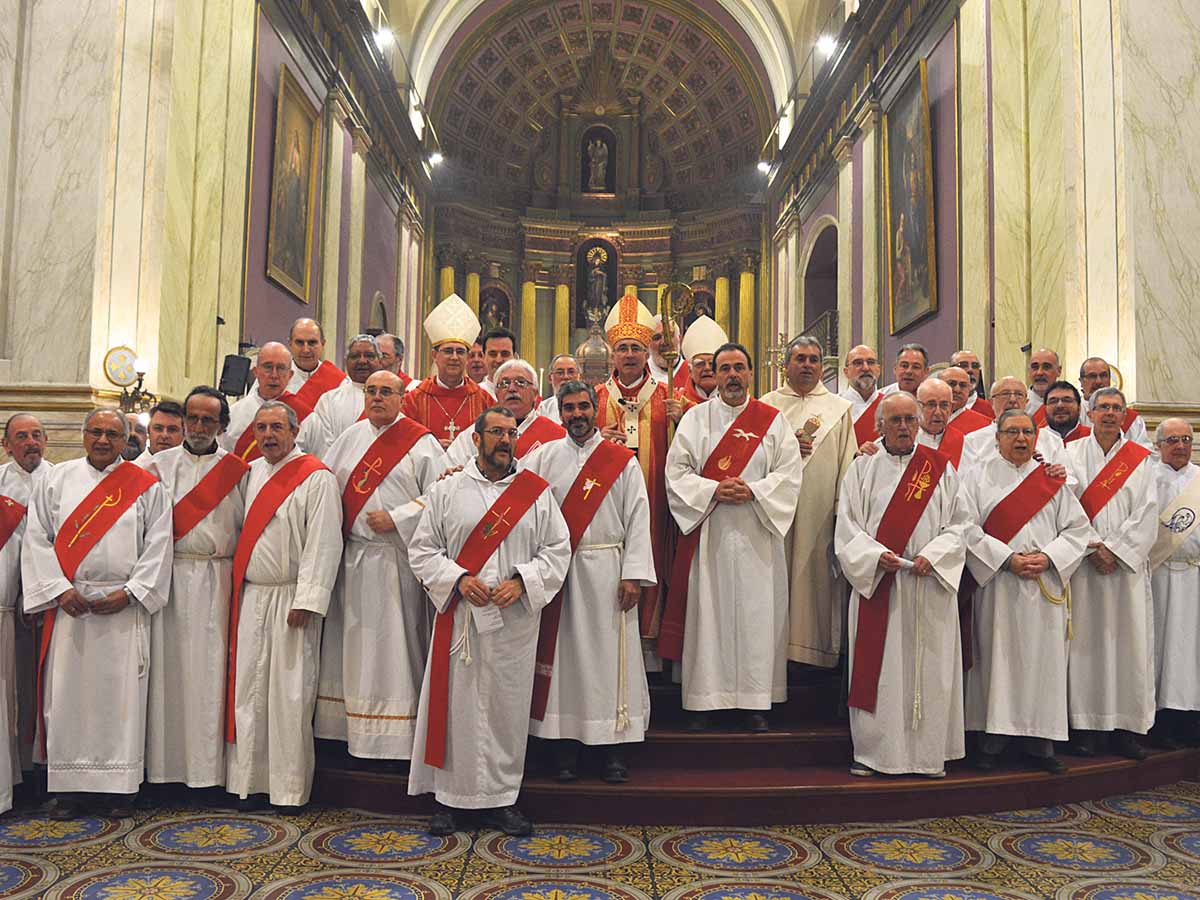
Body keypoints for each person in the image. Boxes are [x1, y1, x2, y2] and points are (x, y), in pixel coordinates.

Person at [407, 407, 570, 836]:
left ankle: (502, 800)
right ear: (476, 438)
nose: (504, 439)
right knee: (454, 706)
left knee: (506, 709)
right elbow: (423, 550)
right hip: (461, 616)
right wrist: (458, 579)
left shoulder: (536, 494)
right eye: (495, 432)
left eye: (511, 433)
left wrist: (522, 580)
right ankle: (448, 800)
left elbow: (557, 549)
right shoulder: (447, 491)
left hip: (512, 621)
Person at [22, 409, 172, 817]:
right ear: (83, 434)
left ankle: (119, 790)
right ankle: (69, 790)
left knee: (120, 701)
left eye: (113, 434)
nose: (103, 440)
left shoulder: (147, 486)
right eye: (96, 432)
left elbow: (159, 543)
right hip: (72, 609)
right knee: (67, 699)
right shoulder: (57, 479)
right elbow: (36, 538)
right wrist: (58, 588)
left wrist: (131, 592)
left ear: (126, 440)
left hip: (123, 610)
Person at [663, 343, 802, 732]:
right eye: (724, 368)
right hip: (710, 536)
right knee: (709, 615)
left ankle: (755, 702)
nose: (732, 376)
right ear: (714, 374)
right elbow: (676, 472)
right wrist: (711, 491)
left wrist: (755, 491)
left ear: (751, 372)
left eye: (739, 367)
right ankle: (705, 700)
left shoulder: (772, 422)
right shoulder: (695, 420)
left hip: (758, 534)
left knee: (757, 617)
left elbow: (790, 475)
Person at [523, 380, 655, 783]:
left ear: (595, 410)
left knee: (609, 660)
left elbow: (638, 517)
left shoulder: (621, 460)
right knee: (563, 662)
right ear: (558, 412)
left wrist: (633, 574)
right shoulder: (543, 458)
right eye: (569, 408)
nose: (577, 415)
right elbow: (519, 502)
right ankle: (564, 745)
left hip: (608, 573)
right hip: (560, 574)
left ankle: (612, 749)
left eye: (583, 407)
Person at [316, 372, 447, 762]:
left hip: (398, 562)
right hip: (354, 560)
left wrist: (400, 517)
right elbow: (324, 490)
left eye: (385, 392)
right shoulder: (347, 440)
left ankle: (397, 742)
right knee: (351, 647)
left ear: (401, 397)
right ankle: (347, 733)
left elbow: (441, 496)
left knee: (395, 649)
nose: (376, 398)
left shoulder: (420, 443)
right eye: (371, 391)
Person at [836, 392, 966, 777]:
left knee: (931, 671)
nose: (906, 427)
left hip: (928, 584)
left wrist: (936, 555)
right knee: (882, 674)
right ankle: (876, 754)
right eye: (896, 420)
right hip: (881, 585)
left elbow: (960, 524)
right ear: (880, 426)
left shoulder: (940, 468)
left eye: (911, 418)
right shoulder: (862, 469)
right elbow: (847, 526)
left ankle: (929, 756)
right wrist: (876, 557)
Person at [225, 401, 341, 811]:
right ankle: (248, 783)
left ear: (295, 432)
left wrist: (308, 599)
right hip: (254, 594)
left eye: (277, 427)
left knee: (290, 694)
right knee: (248, 691)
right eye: (261, 428)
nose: (269, 435)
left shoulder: (316, 478)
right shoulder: (250, 473)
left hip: (292, 599)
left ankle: (288, 790)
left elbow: (324, 542)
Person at [960, 409, 1091, 774]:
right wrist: (1005, 558)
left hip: (1042, 585)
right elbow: (964, 528)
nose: (1020, 438)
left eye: (1027, 432)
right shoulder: (975, 477)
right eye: (1012, 431)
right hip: (998, 586)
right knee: (997, 661)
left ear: (1036, 437)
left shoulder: (1050, 480)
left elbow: (1077, 530)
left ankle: (1040, 741)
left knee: (1041, 663)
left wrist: (1049, 557)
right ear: (997, 436)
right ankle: (991, 740)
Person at [142, 387, 247, 796]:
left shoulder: (238, 471)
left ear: (223, 425)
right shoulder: (154, 466)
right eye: (194, 418)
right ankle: (163, 773)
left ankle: (207, 775)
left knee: (211, 676)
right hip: (169, 579)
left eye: (209, 420)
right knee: (166, 677)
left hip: (218, 582)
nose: (200, 427)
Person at [1063, 387, 1157, 760]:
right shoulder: (1070, 455)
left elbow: (1148, 512)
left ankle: (1125, 728)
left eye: (1116, 408)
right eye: (1102, 407)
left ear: (1124, 416)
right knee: (1085, 646)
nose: (1108, 413)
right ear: (1089, 411)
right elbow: (1065, 505)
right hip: (1084, 568)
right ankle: (1086, 727)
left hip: (1124, 571)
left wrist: (1115, 550)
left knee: (1126, 645)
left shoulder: (1141, 459)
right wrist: (1091, 546)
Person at [761, 336, 855, 667]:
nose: (807, 365)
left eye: (814, 359)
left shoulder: (839, 410)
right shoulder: (766, 406)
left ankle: (811, 653)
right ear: (785, 365)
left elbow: (847, 465)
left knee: (812, 578)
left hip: (819, 511)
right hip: (772, 512)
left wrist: (842, 512)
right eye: (800, 358)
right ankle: (770, 653)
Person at [595, 294, 682, 649]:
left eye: (636, 348)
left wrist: (684, 420)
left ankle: (651, 642)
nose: (629, 354)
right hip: (606, 507)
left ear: (647, 354)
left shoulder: (671, 397)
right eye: (623, 348)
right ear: (612, 355)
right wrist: (595, 440)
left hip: (655, 501)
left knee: (655, 557)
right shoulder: (595, 399)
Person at [0, 415, 52, 814]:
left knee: (44, 692)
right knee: (11, 694)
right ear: (7, 445)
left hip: (49, 607)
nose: (30, 443)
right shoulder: (1, 482)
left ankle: (43, 770)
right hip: (5, 609)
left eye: (36, 435)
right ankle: (12, 772)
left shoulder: (61, 480)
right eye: (21, 437)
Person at [1149, 418, 1200, 746]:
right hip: (1159, 575)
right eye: (1172, 440)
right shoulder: (1146, 478)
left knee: (1191, 652)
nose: (1180, 446)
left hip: (1196, 576)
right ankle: (1161, 723)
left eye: (1186, 439)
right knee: (1161, 649)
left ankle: (1191, 720)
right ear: (1159, 445)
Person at [401, 294, 495, 450]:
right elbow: (402, 439)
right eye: (448, 351)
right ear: (434, 356)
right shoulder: (414, 400)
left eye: (460, 351)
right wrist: (433, 447)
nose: (454, 357)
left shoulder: (484, 400)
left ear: (467, 357)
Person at [222, 342, 323, 460]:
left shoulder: (307, 418)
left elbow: (318, 462)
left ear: (290, 375)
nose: (274, 375)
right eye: (268, 367)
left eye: (281, 368)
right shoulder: (233, 414)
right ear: (256, 372)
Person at [962, 377, 1065, 470]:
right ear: (991, 402)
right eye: (1005, 394)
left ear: (1026, 402)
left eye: (1019, 394)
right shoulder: (973, 441)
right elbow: (966, 481)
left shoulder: (1052, 441)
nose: (1012, 400)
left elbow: (1067, 480)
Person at [311, 334, 383, 453]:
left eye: (369, 356)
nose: (362, 361)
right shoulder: (329, 400)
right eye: (355, 356)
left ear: (380, 361)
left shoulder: (392, 398)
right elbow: (322, 443)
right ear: (346, 362)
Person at [1078, 357, 1151, 446]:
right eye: (1092, 376)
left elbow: (1144, 452)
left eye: (1103, 376)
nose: (1098, 381)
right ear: (1081, 381)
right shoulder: (1074, 413)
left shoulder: (1129, 418)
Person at [287, 317, 351, 405]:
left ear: (323, 344)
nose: (306, 350)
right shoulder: (278, 378)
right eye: (300, 342)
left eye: (312, 343)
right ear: (290, 344)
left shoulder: (341, 382)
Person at [676, 315, 726, 407]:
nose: (707, 368)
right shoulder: (679, 402)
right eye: (700, 364)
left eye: (712, 363)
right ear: (690, 371)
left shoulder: (734, 400)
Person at [839, 344, 883, 446]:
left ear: (878, 370)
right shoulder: (834, 407)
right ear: (846, 372)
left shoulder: (890, 406)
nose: (866, 368)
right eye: (858, 363)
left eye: (871, 362)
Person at [938, 367, 991, 435]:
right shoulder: (923, 419)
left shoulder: (985, 426)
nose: (957, 390)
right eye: (951, 384)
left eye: (963, 385)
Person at [648, 315, 690, 391]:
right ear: (648, 343)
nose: (665, 342)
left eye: (670, 335)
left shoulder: (692, 372)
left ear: (680, 338)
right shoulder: (641, 372)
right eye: (657, 338)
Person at [535, 355, 580, 423]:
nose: (566, 377)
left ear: (579, 376)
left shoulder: (590, 407)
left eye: (571, 372)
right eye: (560, 373)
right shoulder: (541, 410)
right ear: (550, 378)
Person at [950, 349, 994, 419]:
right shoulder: (939, 408)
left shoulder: (990, 411)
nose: (970, 370)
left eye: (975, 366)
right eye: (963, 365)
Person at [479, 326, 517, 398]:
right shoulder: (475, 395)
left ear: (515, 357)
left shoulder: (524, 395)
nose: (498, 360)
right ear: (484, 357)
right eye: (493, 354)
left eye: (505, 354)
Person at [1025, 348, 1061, 417]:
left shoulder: (1070, 404)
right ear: (1029, 371)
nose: (1040, 372)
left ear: (1059, 371)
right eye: (1035, 367)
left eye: (1046, 367)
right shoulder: (1020, 404)